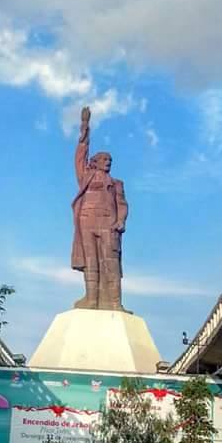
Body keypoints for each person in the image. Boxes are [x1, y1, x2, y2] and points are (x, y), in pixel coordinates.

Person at [71, 106, 128, 311]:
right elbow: (80, 156)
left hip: (107, 224)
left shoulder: (117, 183)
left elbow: (122, 205)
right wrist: (85, 128)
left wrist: (120, 220)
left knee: (111, 262)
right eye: (104, 159)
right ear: (95, 162)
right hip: (87, 220)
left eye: (110, 160)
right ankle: (91, 299)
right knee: (90, 261)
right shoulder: (86, 176)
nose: (108, 163)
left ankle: (114, 303)